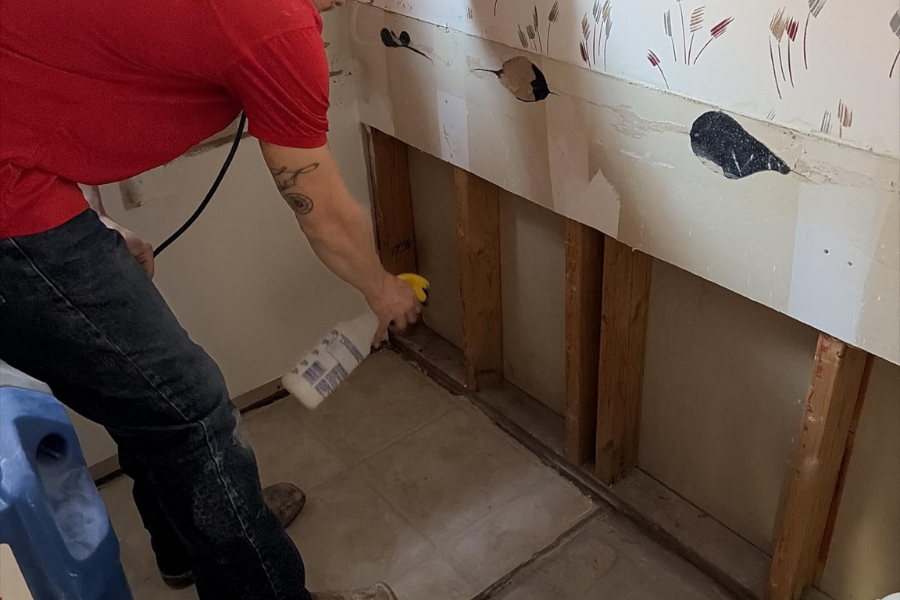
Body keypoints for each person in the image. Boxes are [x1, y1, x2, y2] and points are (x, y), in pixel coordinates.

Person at [0, 0, 419, 598]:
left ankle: (192, 547)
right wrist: (384, 292)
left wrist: (94, 224)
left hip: (25, 188)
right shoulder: (273, 25)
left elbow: (37, 67)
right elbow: (323, 215)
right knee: (190, 412)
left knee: (146, 399)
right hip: (13, 215)